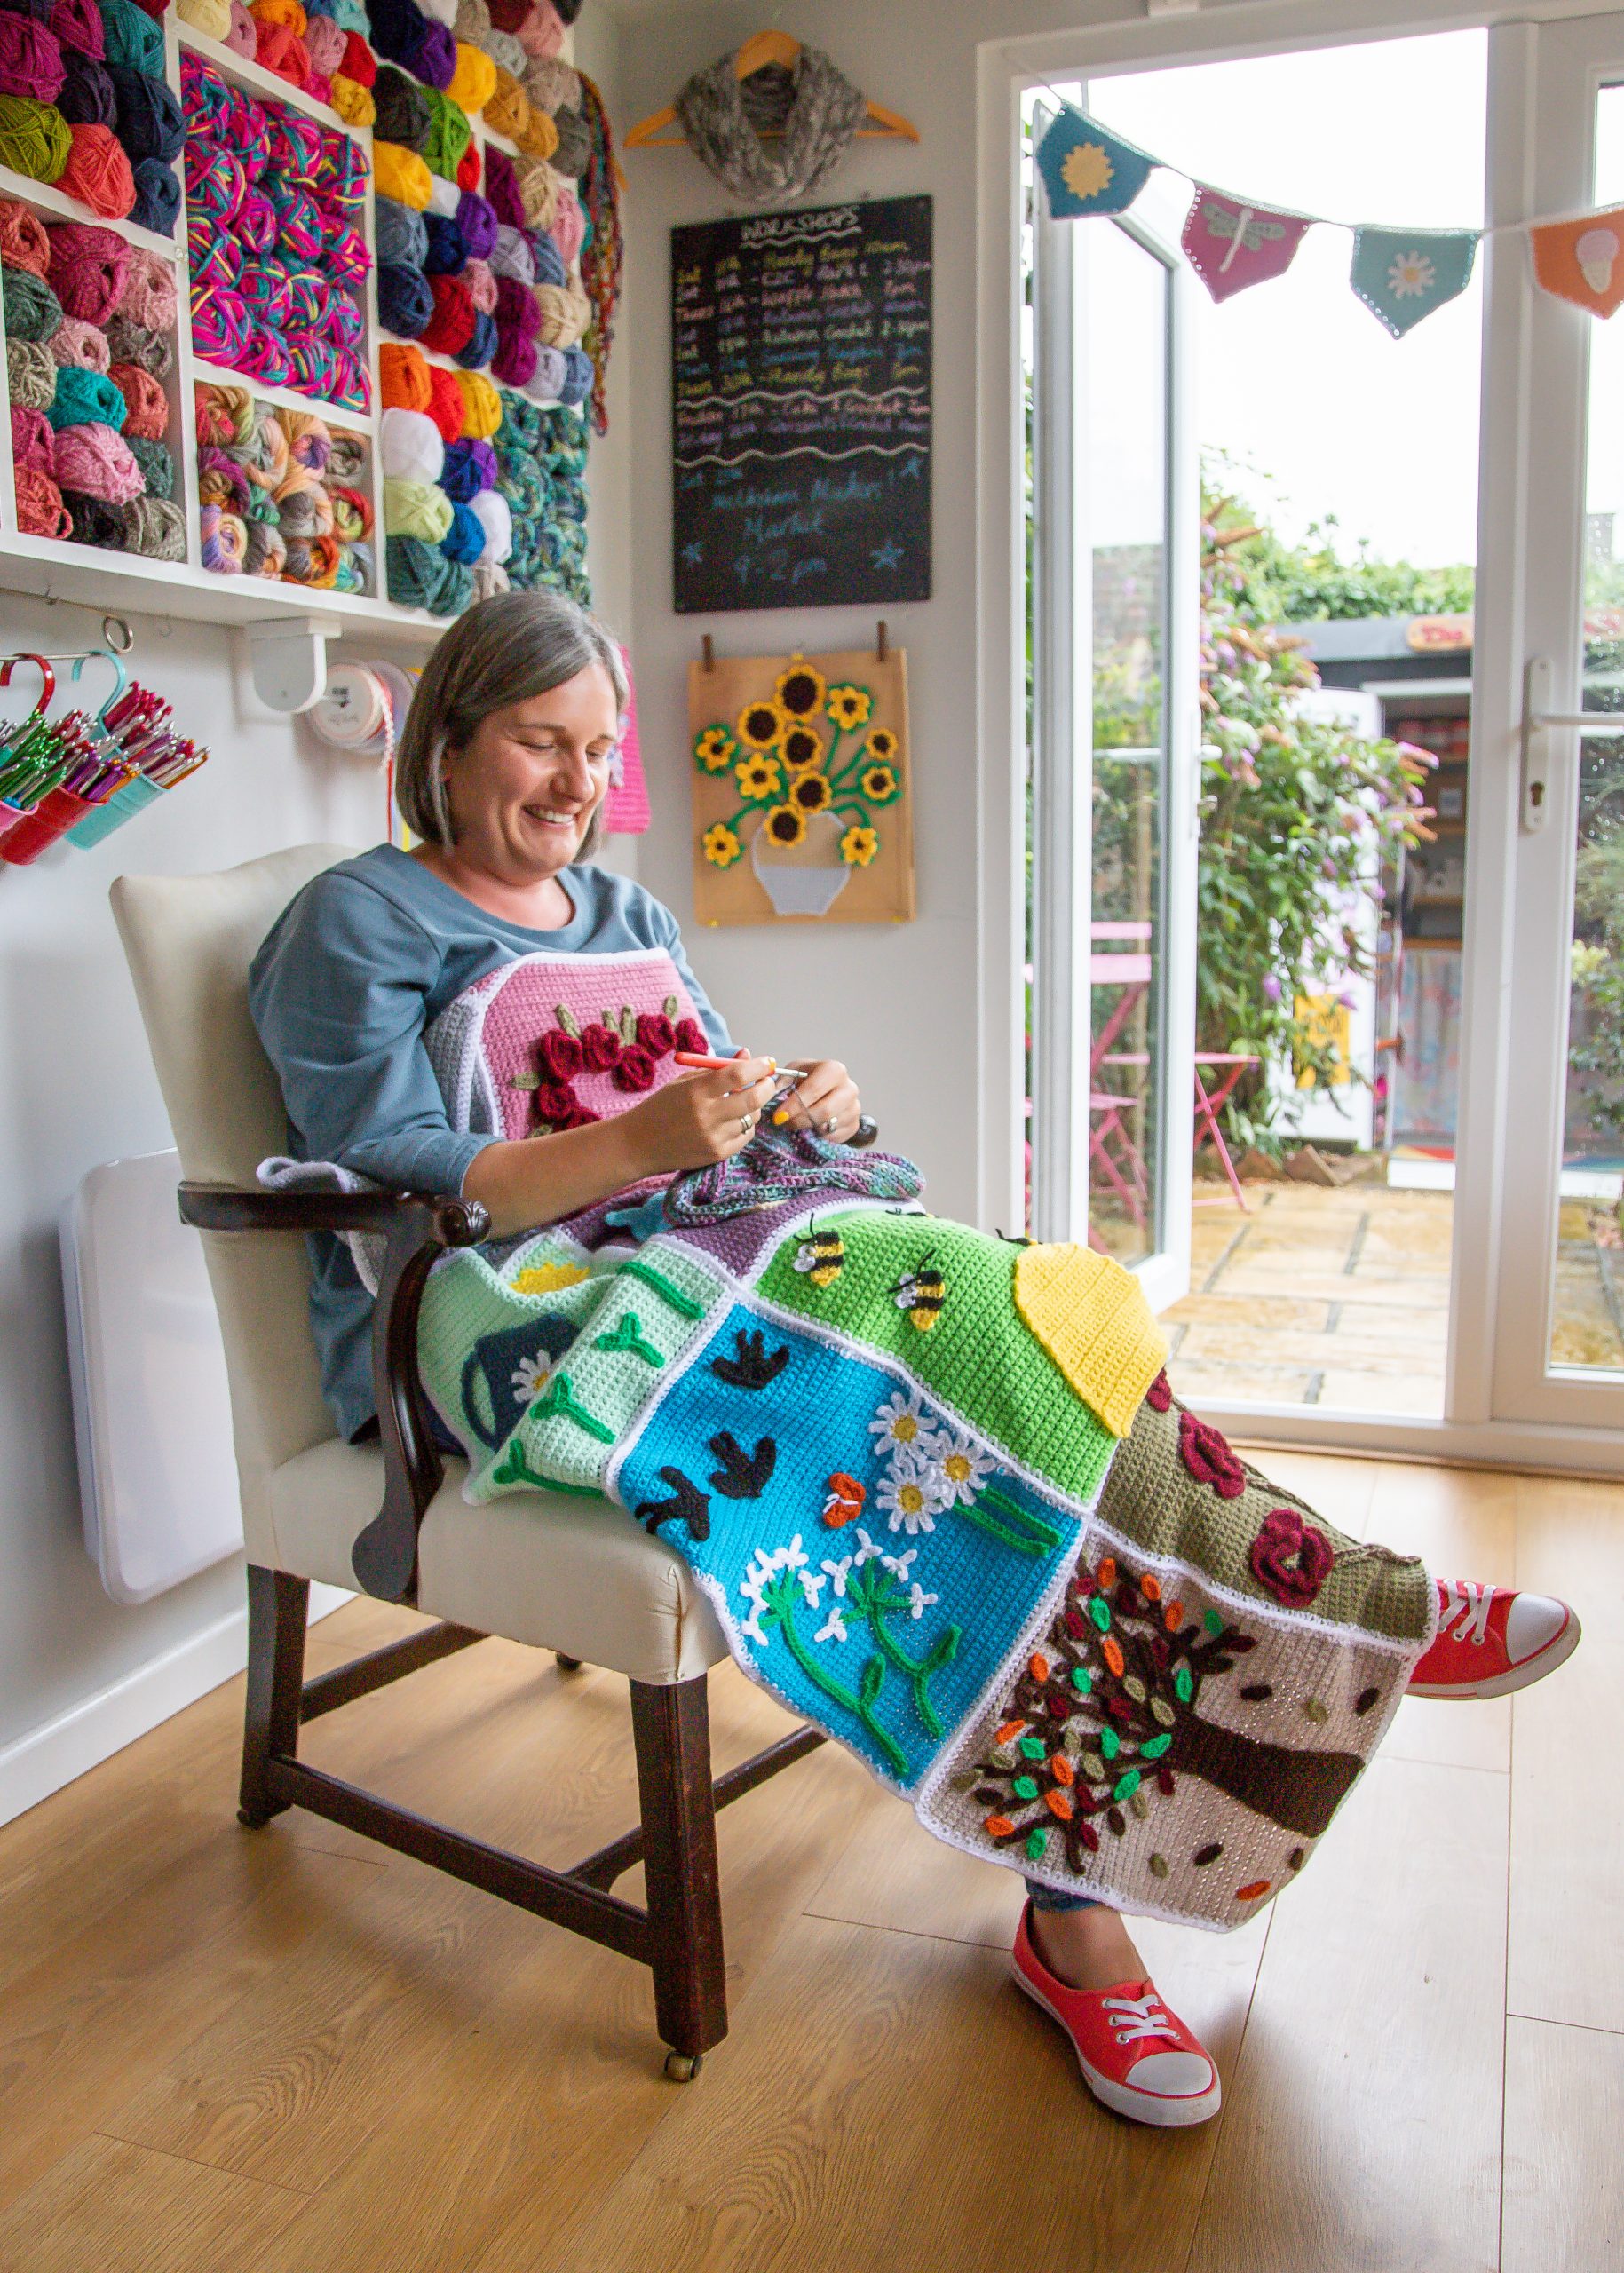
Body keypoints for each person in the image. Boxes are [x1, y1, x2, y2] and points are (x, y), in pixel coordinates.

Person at [250, 590, 1580, 2132]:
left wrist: (802, 1100)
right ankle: (1281, 1671)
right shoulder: (358, 920)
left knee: (1030, 1333)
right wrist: (633, 1141)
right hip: (507, 1326)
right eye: (540, 741)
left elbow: (694, 1103)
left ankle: (1247, 1662)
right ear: (448, 738)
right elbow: (377, 1175)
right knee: (975, 1312)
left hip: (704, 1251)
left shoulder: (630, 921)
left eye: (595, 751)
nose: (570, 782)